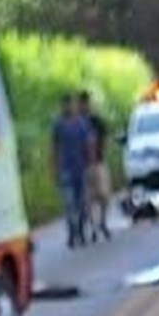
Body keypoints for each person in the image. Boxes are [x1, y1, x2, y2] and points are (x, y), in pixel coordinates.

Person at [50, 93, 92, 248]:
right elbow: (54, 147)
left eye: (69, 104)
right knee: (69, 204)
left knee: (82, 204)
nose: (67, 107)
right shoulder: (57, 124)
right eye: (64, 104)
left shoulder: (81, 123)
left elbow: (89, 144)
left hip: (80, 169)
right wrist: (53, 167)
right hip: (65, 169)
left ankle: (80, 229)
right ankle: (72, 232)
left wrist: (90, 164)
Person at [78, 90, 112, 242]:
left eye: (86, 103)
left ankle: (102, 222)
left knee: (103, 196)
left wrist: (101, 154)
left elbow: (104, 139)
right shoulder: (77, 122)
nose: (84, 106)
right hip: (82, 165)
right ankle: (93, 227)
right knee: (89, 199)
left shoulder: (96, 121)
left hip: (98, 162)